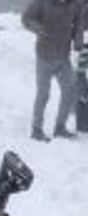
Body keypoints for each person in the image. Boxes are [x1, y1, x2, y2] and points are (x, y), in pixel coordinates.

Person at [22, 0, 83, 142]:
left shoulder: (75, 4)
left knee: (70, 90)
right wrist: (39, 29)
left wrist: (78, 42)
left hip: (63, 56)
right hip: (44, 56)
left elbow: (79, 23)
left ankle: (60, 127)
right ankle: (37, 130)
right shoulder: (42, 2)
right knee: (43, 94)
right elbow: (26, 18)